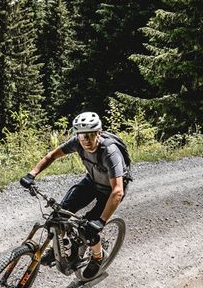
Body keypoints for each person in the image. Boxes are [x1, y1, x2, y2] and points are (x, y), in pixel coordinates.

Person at [20, 111, 130, 279]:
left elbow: (118, 191)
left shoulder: (110, 152)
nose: (85, 140)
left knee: (88, 229)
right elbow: (51, 156)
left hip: (110, 191)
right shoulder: (78, 142)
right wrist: (31, 174)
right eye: (81, 135)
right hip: (92, 181)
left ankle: (98, 257)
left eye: (89, 135)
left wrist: (100, 222)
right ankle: (59, 249)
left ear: (98, 133)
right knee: (58, 215)